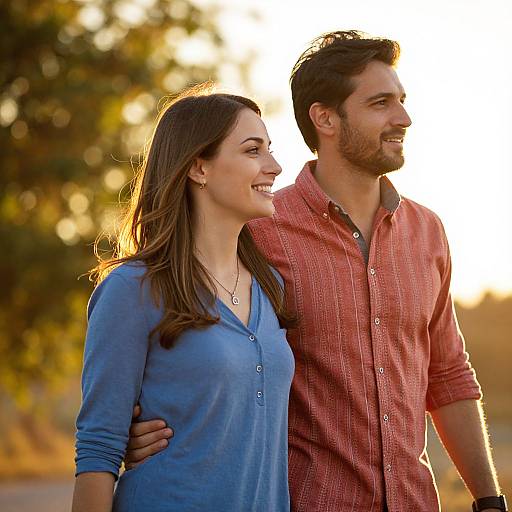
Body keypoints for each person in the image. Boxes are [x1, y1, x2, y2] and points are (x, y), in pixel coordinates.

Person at [125, 32, 507, 512]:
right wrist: (130, 429)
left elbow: (447, 373)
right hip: (308, 501)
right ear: (325, 117)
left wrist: (489, 499)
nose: (403, 118)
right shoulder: (257, 231)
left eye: (402, 101)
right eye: (381, 103)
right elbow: (168, 322)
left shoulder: (427, 233)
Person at [72, 86, 296, 512]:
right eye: (253, 151)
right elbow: (99, 448)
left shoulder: (271, 288)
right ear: (198, 167)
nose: (275, 166)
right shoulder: (133, 288)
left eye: (270, 149)